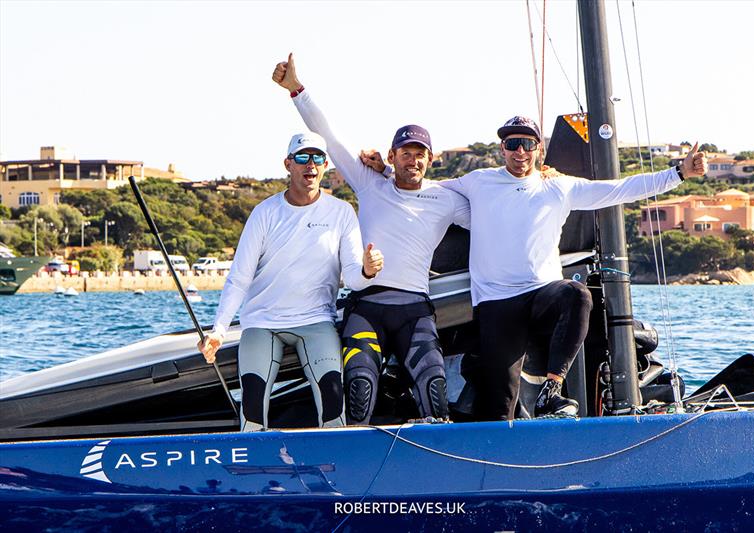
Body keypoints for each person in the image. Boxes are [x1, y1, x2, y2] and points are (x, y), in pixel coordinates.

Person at [437, 116, 708, 420]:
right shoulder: (478, 181)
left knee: (579, 296)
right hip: (496, 303)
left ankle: (551, 390)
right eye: (513, 144)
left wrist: (679, 173)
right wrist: (376, 174)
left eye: (527, 144)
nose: (520, 152)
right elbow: (423, 190)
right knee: (499, 406)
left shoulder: (558, 187)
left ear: (538, 148)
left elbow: (619, 190)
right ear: (502, 148)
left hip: (542, 294)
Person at [272, 54, 470, 425]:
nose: (413, 161)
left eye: (420, 155)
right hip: (366, 306)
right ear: (391, 156)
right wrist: (296, 90)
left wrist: (536, 185)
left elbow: (500, 218)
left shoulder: (446, 199)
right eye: (405, 153)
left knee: (434, 389)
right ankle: (354, 456)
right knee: (360, 386)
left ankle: (440, 457)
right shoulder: (371, 183)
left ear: (431, 160)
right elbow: (329, 138)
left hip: (414, 309)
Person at [198, 132, 384, 431]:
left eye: (318, 158)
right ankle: (250, 467)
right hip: (263, 323)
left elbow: (353, 278)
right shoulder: (265, 213)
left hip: (315, 321)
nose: (310, 164)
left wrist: (367, 270)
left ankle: (336, 468)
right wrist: (218, 331)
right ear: (288, 164)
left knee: (334, 401)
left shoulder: (341, 213)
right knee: (254, 406)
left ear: (325, 166)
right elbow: (239, 277)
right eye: (302, 157)